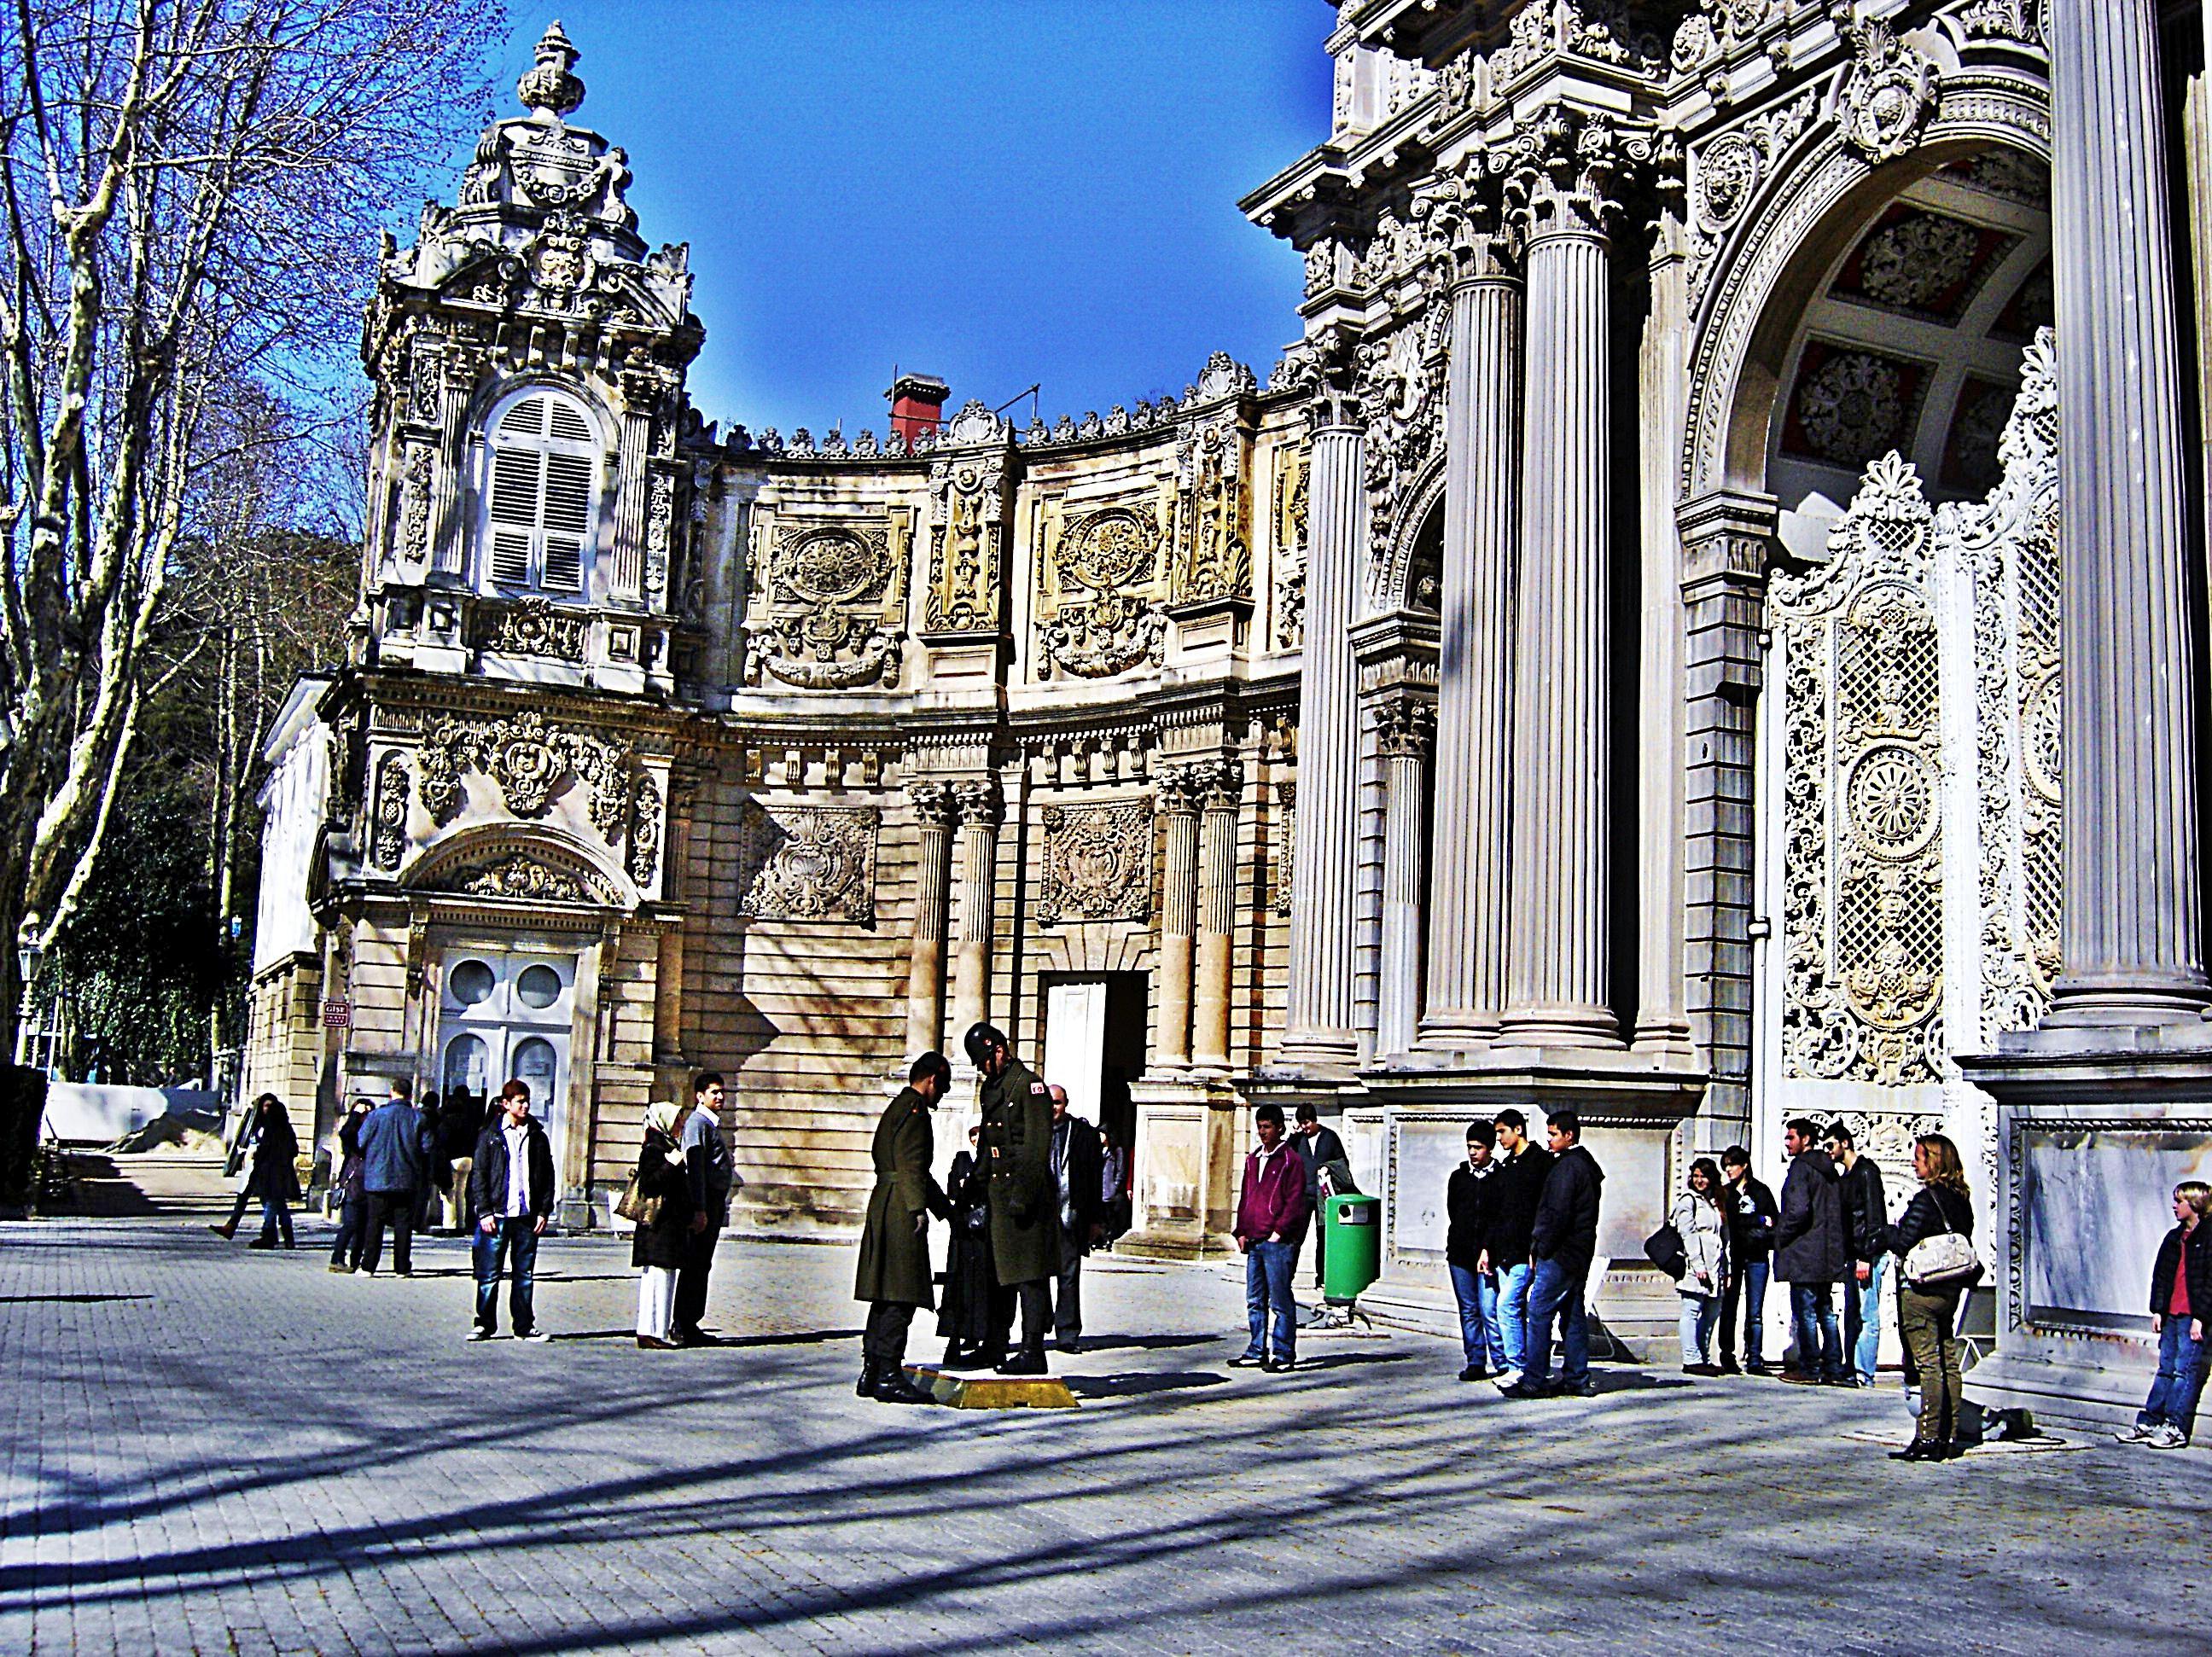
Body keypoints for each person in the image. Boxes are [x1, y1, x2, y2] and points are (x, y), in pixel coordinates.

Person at [854, 1053, 953, 1403]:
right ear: (930, 1081)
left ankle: (872, 1371)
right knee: (901, 1295)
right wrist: (919, 1210)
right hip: (900, 1208)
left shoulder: (896, 1107)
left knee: (884, 1294)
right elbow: (913, 1166)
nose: (941, 1095)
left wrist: (945, 1210)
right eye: (941, 1086)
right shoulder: (916, 1113)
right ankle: (889, 1375)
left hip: (886, 1200)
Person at [1873, 1133, 1977, 1461]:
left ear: (1933, 1161)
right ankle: (1950, 1432)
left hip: (1920, 1288)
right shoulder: (1961, 1199)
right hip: (1950, 1287)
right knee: (1948, 1358)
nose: (1914, 1164)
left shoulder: (1926, 1199)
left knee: (1927, 1362)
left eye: (1919, 1158)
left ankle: (1928, 1436)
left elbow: (1904, 1240)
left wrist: (1885, 1232)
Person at [968, 1022, 1061, 1375]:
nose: (981, 1068)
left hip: (1024, 1196)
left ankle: (1032, 1349)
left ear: (999, 1050)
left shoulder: (1028, 1086)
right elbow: (990, 1146)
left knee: (1028, 1276)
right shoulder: (994, 1087)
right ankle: (994, 1344)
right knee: (997, 1275)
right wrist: (973, 1186)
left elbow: (1036, 1146)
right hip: (997, 1195)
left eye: (983, 1060)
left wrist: (1022, 1196)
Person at [1506, 1110, 1603, 1399]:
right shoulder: (1584, 1165)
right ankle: (1577, 1378)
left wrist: (1539, 1247)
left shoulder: (1568, 1168)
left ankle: (1535, 1378)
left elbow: (1555, 1215)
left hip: (1560, 1253)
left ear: (1569, 1136)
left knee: (1538, 1312)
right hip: (1578, 1253)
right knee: (1572, 1315)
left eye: (1553, 1135)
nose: (1548, 1140)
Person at [2117, 1181, 2212, 1450]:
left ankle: (2176, 1427)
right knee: (2165, 1370)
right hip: (2171, 1314)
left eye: (2179, 1201)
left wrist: (2201, 1317)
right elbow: (2161, 1276)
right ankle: (2150, 1421)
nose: (2174, 1206)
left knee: (2186, 1372)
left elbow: (2209, 1282)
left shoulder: (2208, 1237)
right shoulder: (2174, 1237)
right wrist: (2158, 1310)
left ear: (2194, 1205)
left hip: (2193, 1316)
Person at [467, 1080, 556, 1342]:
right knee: (489, 1274)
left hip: (527, 1216)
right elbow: (479, 1174)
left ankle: (524, 1326)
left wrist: (543, 1211)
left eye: (527, 1101)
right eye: (520, 1101)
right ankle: (484, 1324)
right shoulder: (491, 1135)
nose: (525, 1105)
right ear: (506, 1104)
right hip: (498, 1214)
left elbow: (547, 1176)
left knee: (524, 1275)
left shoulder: (537, 1136)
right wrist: (484, 1211)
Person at [1231, 1102, 1311, 1373]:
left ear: (1279, 1128)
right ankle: (1256, 1349)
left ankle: (1284, 1353)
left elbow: (1295, 1202)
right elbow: (1246, 1198)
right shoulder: (1253, 1160)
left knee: (1280, 1300)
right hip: (1254, 1238)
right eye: (1259, 1127)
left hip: (1277, 1241)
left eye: (1267, 1127)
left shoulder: (1291, 1161)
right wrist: (1241, 1230)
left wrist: (1279, 1231)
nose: (1262, 1133)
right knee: (1255, 1298)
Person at [1774, 1117, 1848, 1385]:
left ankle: (1809, 1367)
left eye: (1791, 1137)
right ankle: (1832, 1367)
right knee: (1825, 1311)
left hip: (1805, 1253)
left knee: (1805, 1311)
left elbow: (1798, 1210)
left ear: (1805, 1139)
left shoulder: (1801, 1168)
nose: (1787, 1143)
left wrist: (1780, 1234)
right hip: (1826, 1254)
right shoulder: (1829, 1170)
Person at [1485, 1109, 1553, 1392]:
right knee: (1508, 1307)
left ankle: (1518, 1366)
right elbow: (1497, 1211)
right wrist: (1487, 1248)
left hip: (1525, 1251)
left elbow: (1543, 1210)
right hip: (1503, 1250)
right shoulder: (1506, 1166)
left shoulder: (1539, 1163)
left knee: (1507, 1305)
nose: (1498, 1138)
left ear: (1518, 1130)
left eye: (1502, 1132)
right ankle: (1521, 1364)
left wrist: (1535, 1247)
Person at [674, 1071, 736, 1347]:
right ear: (700, 1096)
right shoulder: (698, 1124)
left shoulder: (709, 1124)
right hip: (704, 1202)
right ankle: (684, 1323)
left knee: (701, 1264)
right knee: (695, 1264)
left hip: (711, 1202)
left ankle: (690, 1322)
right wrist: (699, 1208)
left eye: (722, 1091)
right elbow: (696, 1168)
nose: (720, 1096)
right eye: (714, 1092)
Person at [1827, 1120, 1889, 1387]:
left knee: (1867, 1314)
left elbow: (1874, 1215)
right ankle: (1851, 1368)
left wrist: (1867, 1255)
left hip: (1868, 1254)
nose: (1828, 1151)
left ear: (1845, 1143)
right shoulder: (1846, 1178)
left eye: (1831, 1145)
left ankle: (1865, 1374)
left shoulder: (1866, 1172)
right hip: (1854, 1255)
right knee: (1852, 1312)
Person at [631, 1101, 696, 1349]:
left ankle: (659, 1330)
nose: (680, 1125)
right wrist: (672, 1164)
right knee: (655, 1278)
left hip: (670, 1227)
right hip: (657, 1228)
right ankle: (648, 1330)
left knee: (666, 1276)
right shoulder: (654, 1148)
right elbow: (649, 1184)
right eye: (677, 1120)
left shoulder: (668, 1144)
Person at [1047, 1083, 1104, 1353]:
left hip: (1071, 1214)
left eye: (1056, 1103)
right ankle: (1037, 1328)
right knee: (1036, 1278)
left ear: (1065, 1104)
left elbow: (1095, 1181)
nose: (1052, 1108)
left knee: (1068, 1276)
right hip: (1039, 1217)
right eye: (1048, 1102)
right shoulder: (1033, 1131)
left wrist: (1096, 1220)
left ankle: (1067, 1333)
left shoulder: (1083, 1134)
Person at [1445, 1122, 1502, 1382]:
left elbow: (1500, 1216)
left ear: (1489, 1149)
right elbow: (1453, 1211)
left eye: (1478, 1148)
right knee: (1468, 1309)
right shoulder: (1459, 1177)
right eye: (1469, 1147)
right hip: (1460, 1252)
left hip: (1489, 1254)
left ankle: (1502, 1360)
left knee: (1489, 1308)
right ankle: (1476, 1360)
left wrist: (1487, 1247)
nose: (1472, 1152)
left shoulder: (1500, 1177)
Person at [937, 1122, 997, 1367]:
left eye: (980, 1134)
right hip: (962, 1229)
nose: (976, 1139)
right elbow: (952, 1188)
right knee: (958, 1283)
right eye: (973, 1134)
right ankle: (956, 1336)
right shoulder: (962, 1158)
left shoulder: (991, 1159)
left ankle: (980, 1334)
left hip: (983, 1229)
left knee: (982, 1284)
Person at [354, 1079, 426, 1277]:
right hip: (407, 1178)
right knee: (403, 1225)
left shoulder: (376, 1116)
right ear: (410, 1095)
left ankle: (369, 1265)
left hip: (378, 1177)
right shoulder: (418, 1118)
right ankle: (402, 1267)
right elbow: (427, 1148)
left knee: (375, 1223)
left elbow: (361, 1141)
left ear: (391, 1092)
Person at [1717, 1145, 1778, 1374]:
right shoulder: (1725, 1193)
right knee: (1729, 1305)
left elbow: (1774, 1221)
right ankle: (1727, 1355)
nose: (1729, 1170)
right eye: (1726, 1166)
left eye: (1732, 1164)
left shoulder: (1760, 1191)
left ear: (1744, 1165)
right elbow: (1727, 1224)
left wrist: (1758, 1221)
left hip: (1757, 1255)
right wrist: (1757, 1220)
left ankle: (1755, 1358)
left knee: (1755, 1310)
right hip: (1734, 1257)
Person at [213, 1096, 299, 1249]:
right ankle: (284, 1238)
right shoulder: (264, 1125)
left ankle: (269, 1236)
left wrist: (261, 1154)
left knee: (272, 1204)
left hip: (271, 1173)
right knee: (272, 1203)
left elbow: (284, 1149)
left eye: (270, 1107)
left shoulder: (276, 1128)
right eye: (265, 1106)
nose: (267, 1110)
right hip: (265, 1171)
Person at [1672, 1157, 1731, 1374]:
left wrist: (1728, 1269)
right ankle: (1691, 1358)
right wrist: (1697, 1265)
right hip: (1695, 1266)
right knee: (1691, 1310)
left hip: (1716, 1265)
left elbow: (1723, 1236)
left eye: (1703, 1176)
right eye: (1695, 1176)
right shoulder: (1688, 1201)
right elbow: (1687, 1234)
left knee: (1712, 1311)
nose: (1699, 1180)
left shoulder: (1714, 1201)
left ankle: (1703, 1356)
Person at [1292, 1101, 1348, 1291]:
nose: (1304, 1127)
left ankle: (1322, 1278)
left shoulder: (1330, 1137)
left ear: (1314, 1120)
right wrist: (1292, 1135)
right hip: (1303, 1196)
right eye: (1301, 1123)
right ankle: (1288, 1275)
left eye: (1307, 1123)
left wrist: (1328, 1167)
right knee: (1296, 1237)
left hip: (1323, 1196)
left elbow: (1342, 1163)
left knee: (1323, 1237)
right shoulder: (1297, 1140)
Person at [326, 1097, 375, 1273]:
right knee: (351, 1223)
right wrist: (355, 1115)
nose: (365, 1116)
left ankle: (355, 1260)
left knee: (364, 1227)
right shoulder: (352, 1133)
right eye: (362, 1113)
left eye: (368, 1112)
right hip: (353, 1182)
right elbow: (346, 1135)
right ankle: (337, 1258)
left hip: (369, 1182)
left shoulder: (373, 1129)